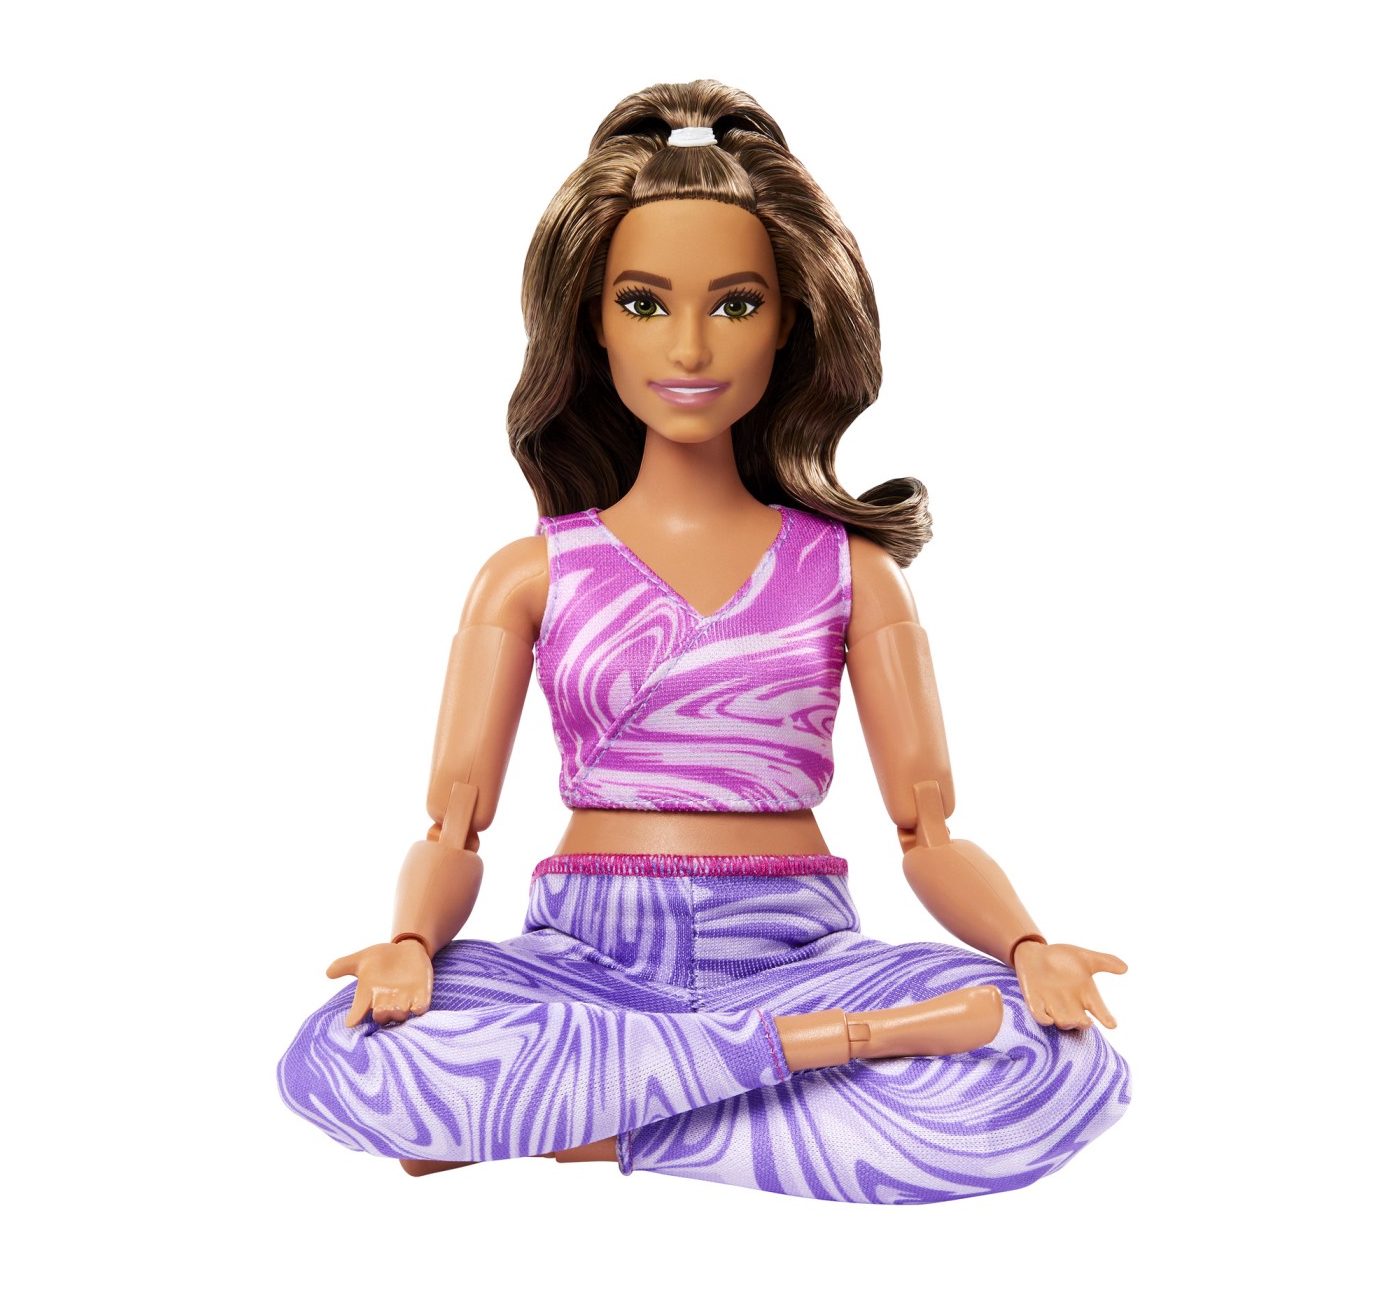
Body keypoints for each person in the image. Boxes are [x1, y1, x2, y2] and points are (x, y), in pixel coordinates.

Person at [277, 81, 1130, 1203]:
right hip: (587, 959)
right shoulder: (530, 572)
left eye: (735, 304)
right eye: (643, 303)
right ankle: (810, 1063)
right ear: (591, 319)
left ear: (790, 320)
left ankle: (585, 1121)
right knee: (339, 1052)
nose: (687, 346)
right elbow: (453, 823)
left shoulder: (851, 573)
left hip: (796, 952)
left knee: (1056, 1062)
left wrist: (1026, 948)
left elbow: (927, 831)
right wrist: (408, 943)